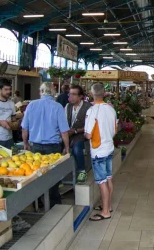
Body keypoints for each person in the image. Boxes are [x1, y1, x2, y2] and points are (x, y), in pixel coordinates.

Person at [21, 82, 70, 207]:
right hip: (53, 148)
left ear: (41, 92)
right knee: (53, 176)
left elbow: (24, 128)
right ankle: (53, 202)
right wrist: (67, 147)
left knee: (35, 176)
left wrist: (25, 143)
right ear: (53, 92)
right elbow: (64, 131)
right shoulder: (57, 107)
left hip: (35, 147)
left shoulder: (31, 105)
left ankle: (38, 202)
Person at [85, 83, 117, 221]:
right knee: (109, 177)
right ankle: (108, 206)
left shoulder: (92, 111)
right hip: (109, 147)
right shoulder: (111, 109)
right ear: (104, 93)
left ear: (91, 94)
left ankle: (105, 212)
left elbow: (88, 134)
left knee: (101, 181)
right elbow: (115, 129)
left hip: (98, 150)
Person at [65, 85, 91, 185]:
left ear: (81, 96)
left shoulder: (88, 107)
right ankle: (60, 176)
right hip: (68, 134)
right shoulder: (68, 106)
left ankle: (82, 171)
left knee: (76, 149)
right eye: (70, 94)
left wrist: (76, 130)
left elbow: (90, 126)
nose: (70, 96)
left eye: (74, 94)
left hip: (81, 134)